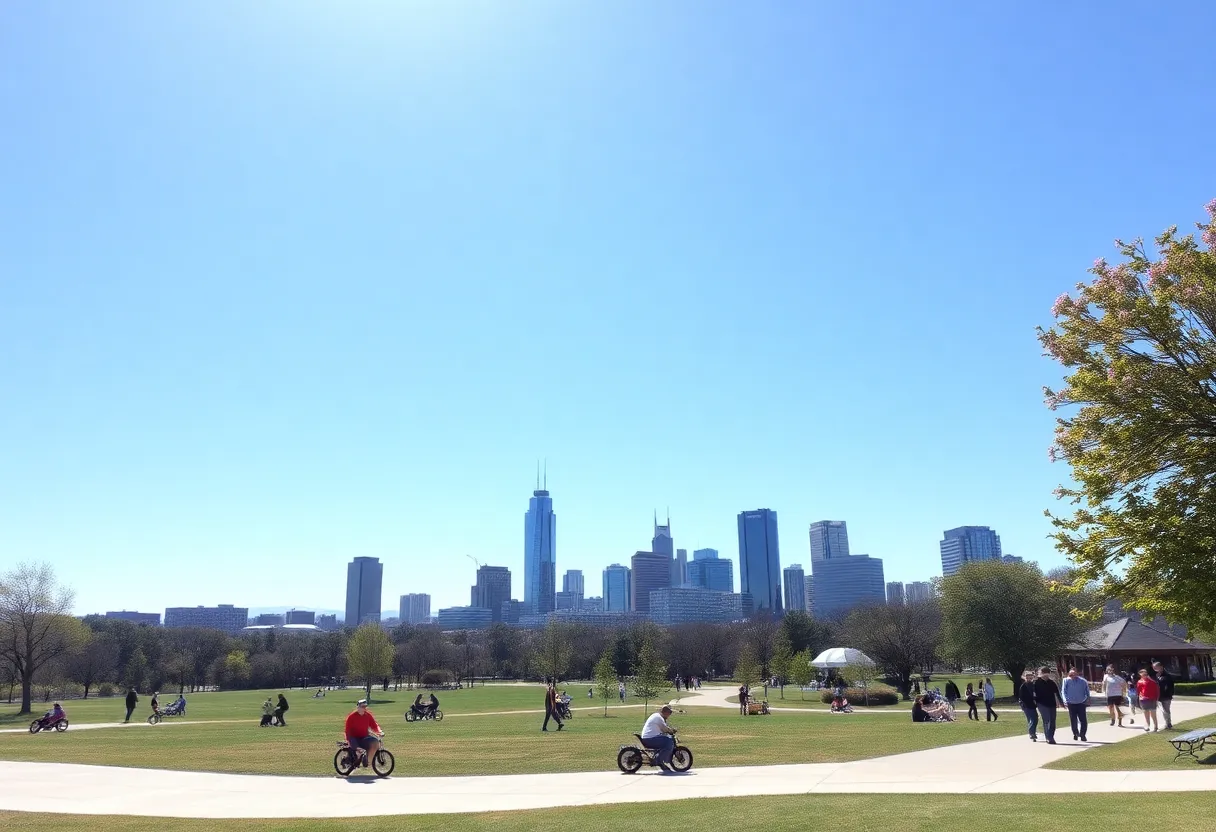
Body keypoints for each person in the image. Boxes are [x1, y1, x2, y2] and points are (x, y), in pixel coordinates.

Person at [344, 699, 384, 767]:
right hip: (353, 738)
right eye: (362, 707)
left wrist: (379, 731)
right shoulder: (351, 717)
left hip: (364, 737)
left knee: (375, 741)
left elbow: (374, 725)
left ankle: (367, 761)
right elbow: (347, 730)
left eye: (365, 707)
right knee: (359, 752)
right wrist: (349, 740)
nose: (364, 708)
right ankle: (355, 761)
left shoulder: (368, 715)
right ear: (358, 707)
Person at [640, 705, 678, 772]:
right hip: (649, 739)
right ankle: (657, 761)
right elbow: (665, 729)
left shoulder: (657, 716)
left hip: (648, 738)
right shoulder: (659, 718)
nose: (669, 715)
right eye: (670, 713)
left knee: (665, 740)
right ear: (665, 712)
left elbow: (663, 728)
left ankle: (660, 762)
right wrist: (671, 730)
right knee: (669, 742)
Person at [1032, 667, 1064, 745]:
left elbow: (1057, 693)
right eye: (1043, 673)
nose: (1045, 675)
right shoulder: (1036, 683)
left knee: (1052, 721)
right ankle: (1049, 738)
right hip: (1041, 704)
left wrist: (1061, 702)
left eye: (1046, 673)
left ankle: (1050, 736)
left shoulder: (1051, 683)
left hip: (1052, 704)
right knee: (1047, 720)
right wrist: (1034, 702)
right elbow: (1033, 694)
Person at [1060, 667, 1090, 742]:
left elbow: (1087, 692)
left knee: (1083, 720)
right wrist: (1065, 700)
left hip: (1081, 703)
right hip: (1071, 703)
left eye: (1073, 674)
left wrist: (1087, 699)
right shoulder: (1066, 680)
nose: (1072, 676)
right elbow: (1063, 691)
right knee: (1073, 719)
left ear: (1077, 674)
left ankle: (1083, 734)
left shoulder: (1083, 681)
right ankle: (1075, 733)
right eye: (1070, 674)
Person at [1135, 668, 1160, 733]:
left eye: (1145, 674)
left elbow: (1157, 690)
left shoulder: (1152, 681)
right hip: (1143, 699)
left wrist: (1157, 699)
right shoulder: (1139, 682)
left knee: (1153, 714)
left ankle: (1155, 726)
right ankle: (1147, 725)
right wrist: (1138, 698)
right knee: (1146, 713)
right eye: (1143, 675)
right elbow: (1138, 691)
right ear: (1140, 675)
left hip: (1152, 699)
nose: (1144, 676)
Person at [1017, 671, 1039, 742]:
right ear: (1025, 678)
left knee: (1032, 719)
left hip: (1033, 705)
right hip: (1026, 705)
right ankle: (1032, 733)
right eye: (1028, 678)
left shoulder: (1033, 685)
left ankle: (1033, 733)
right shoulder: (1023, 686)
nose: (1029, 679)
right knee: (1034, 719)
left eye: (1031, 677)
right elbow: (1021, 697)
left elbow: (1036, 694)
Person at [1153, 661, 1175, 730]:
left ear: (1161, 667)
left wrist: (1168, 694)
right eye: (1154, 668)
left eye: (1156, 668)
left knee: (1166, 710)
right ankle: (1167, 723)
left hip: (1166, 696)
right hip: (1159, 696)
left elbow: (1169, 687)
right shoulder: (1156, 676)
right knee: (1163, 711)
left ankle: (1168, 723)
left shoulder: (1166, 676)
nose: (1155, 669)